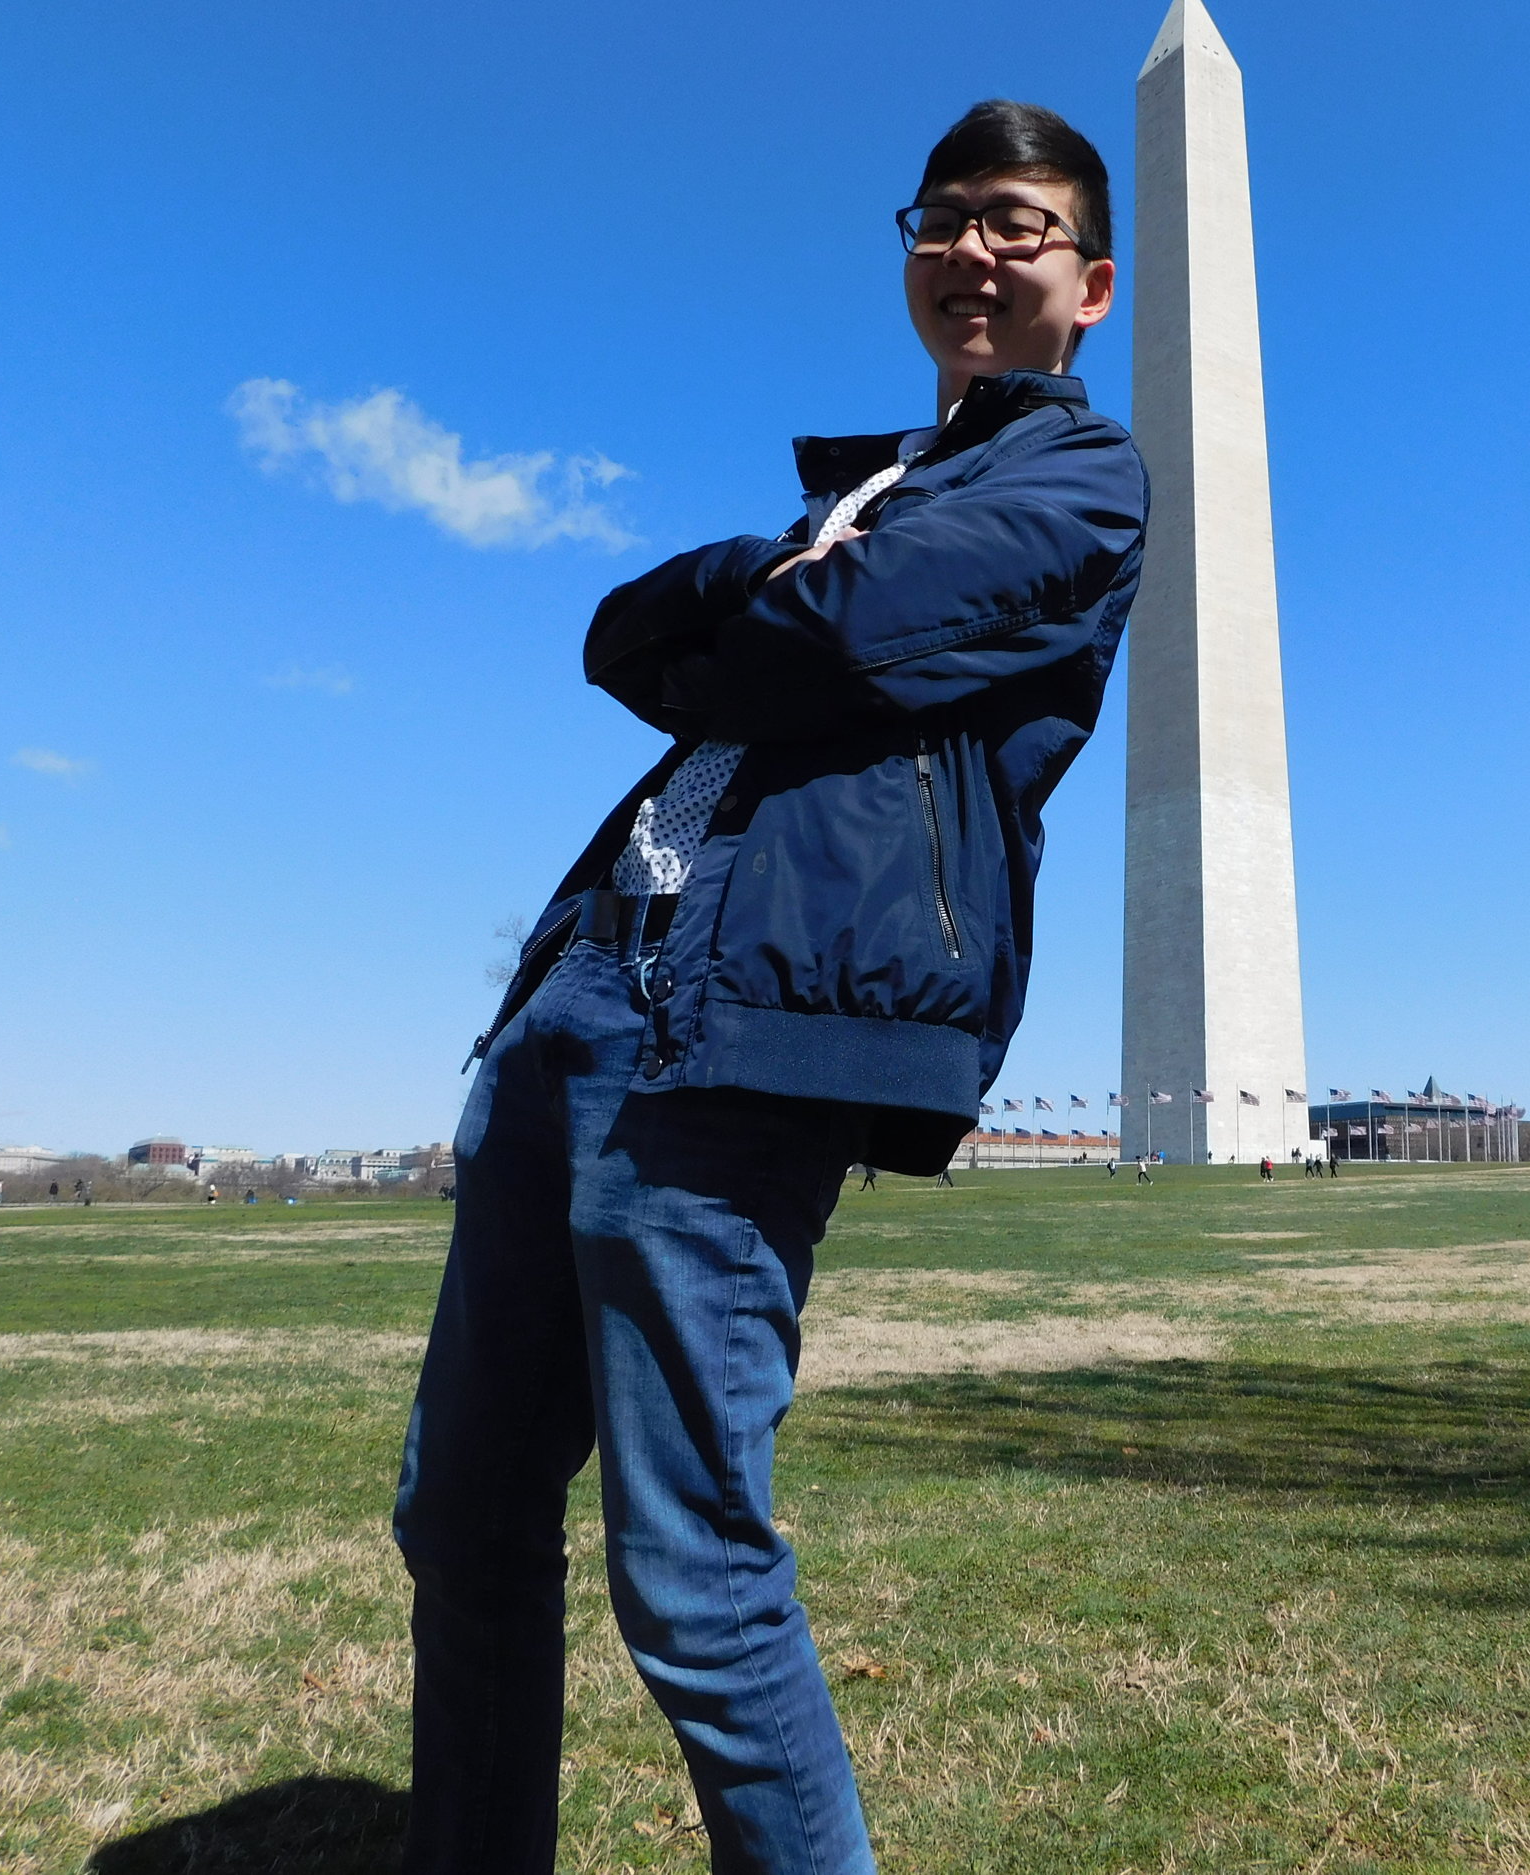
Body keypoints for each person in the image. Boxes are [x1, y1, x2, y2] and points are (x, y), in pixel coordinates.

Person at [391, 99, 1140, 1875]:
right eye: (945, 216)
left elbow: (846, 635)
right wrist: (782, 566)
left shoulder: (1083, 479)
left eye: (1018, 226)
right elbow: (619, 633)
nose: (973, 248)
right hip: (580, 996)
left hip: (740, 1038)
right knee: (462, 1510)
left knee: (692, 1568)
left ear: (1091, 283)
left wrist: (782, 597)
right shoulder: (866, 484)